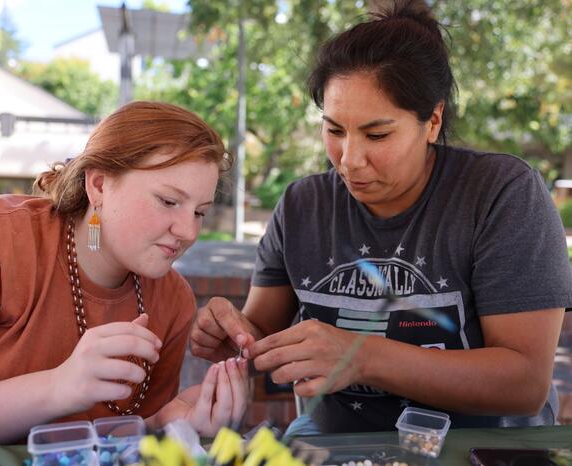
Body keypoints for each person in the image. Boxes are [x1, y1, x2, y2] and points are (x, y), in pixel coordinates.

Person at [191, 1, 572, 433]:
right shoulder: (302, 205)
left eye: (377, 134)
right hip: (336, 447)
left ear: (432, 120)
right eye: (334, 130)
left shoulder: (500, 194)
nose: (350, 160)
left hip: (479, 448)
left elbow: (524, 383)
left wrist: (363, 357)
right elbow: (261, 330)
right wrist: (235, 333)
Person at [0, 101, 248, 446]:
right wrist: (60, 386)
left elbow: (118, 443)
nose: (188, 231)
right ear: (99, 185)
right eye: (169, 201)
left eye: (199, 212)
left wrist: (165, 423)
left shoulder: (172, 299)